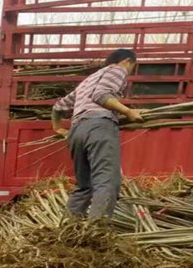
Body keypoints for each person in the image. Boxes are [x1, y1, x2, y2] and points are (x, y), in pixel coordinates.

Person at [52, 48, 143, 219]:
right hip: (98, 126)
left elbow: (57, 107)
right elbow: (100, 95)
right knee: (107, 182)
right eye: (132, 66)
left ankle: (69, 230)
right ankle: (97, 233)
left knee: (84, 186)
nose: (129, 71)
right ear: (127, 61)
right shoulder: (118, 70)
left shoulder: (87, 81)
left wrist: (58, 128)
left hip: (77, 131)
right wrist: (128, 112)